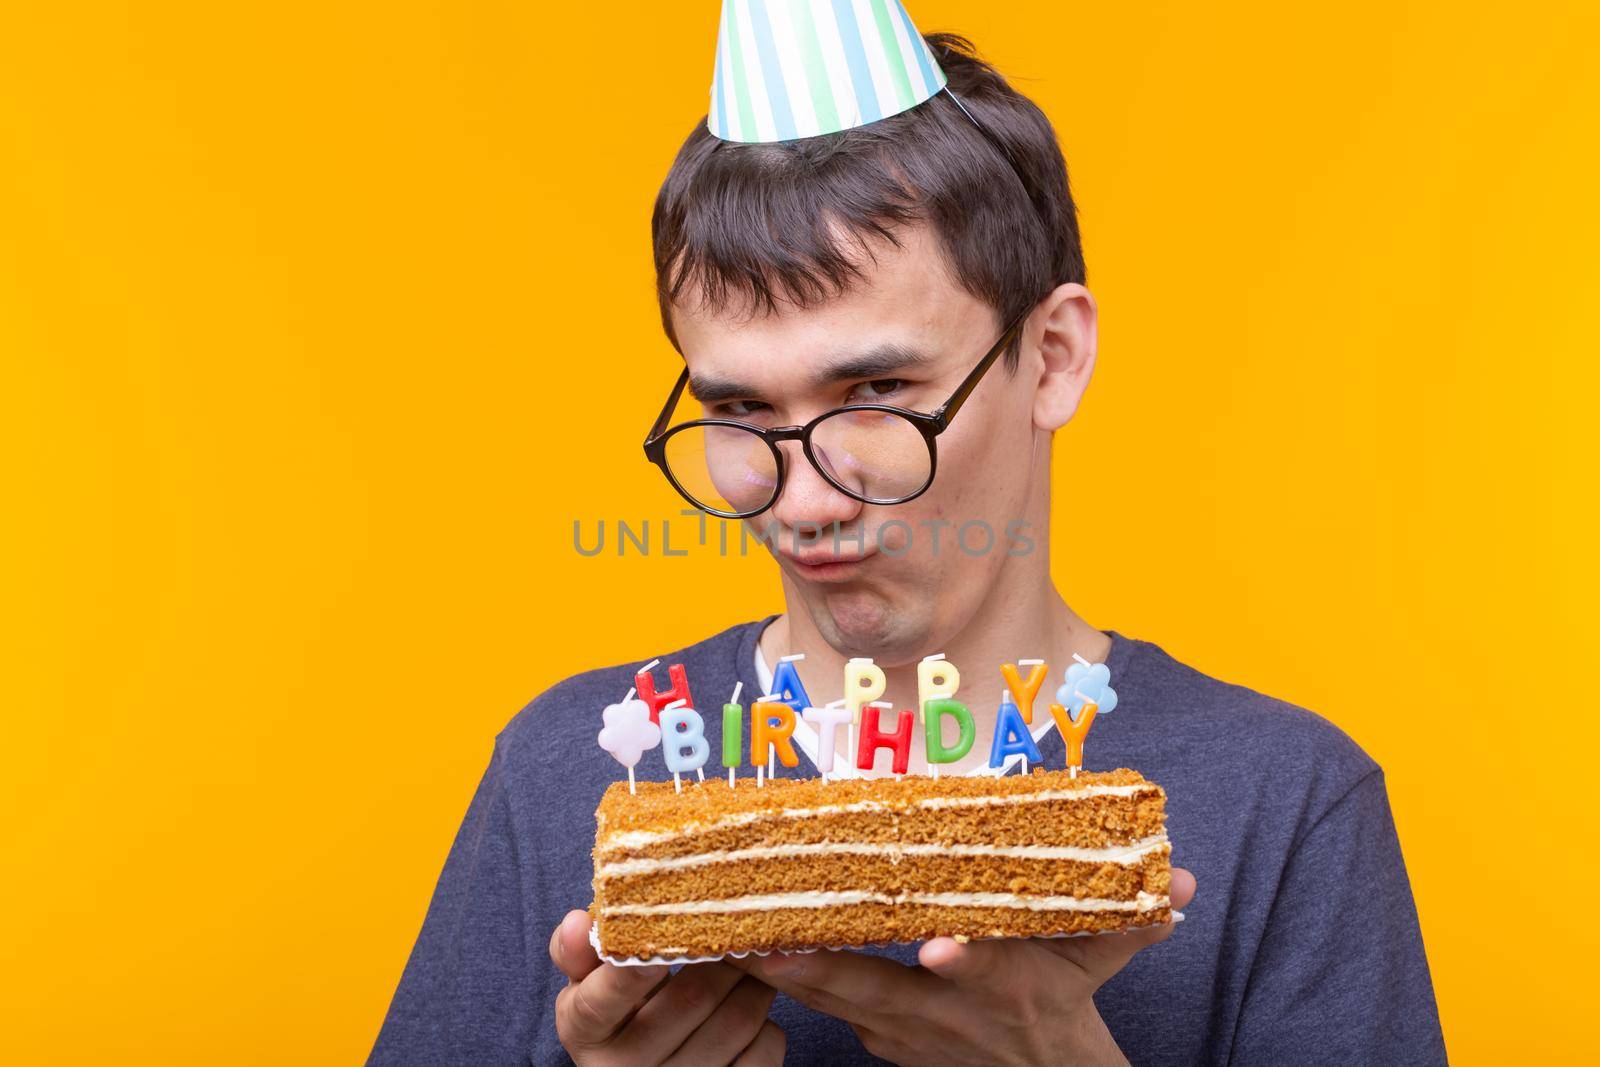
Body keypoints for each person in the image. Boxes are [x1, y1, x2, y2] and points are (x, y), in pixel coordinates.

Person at [370, 11, 1446, 1065]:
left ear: (1054, 354)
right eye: (741, 412)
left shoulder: (1288, 802)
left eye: (877, 391)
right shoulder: (562, 768)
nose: (799, 503)